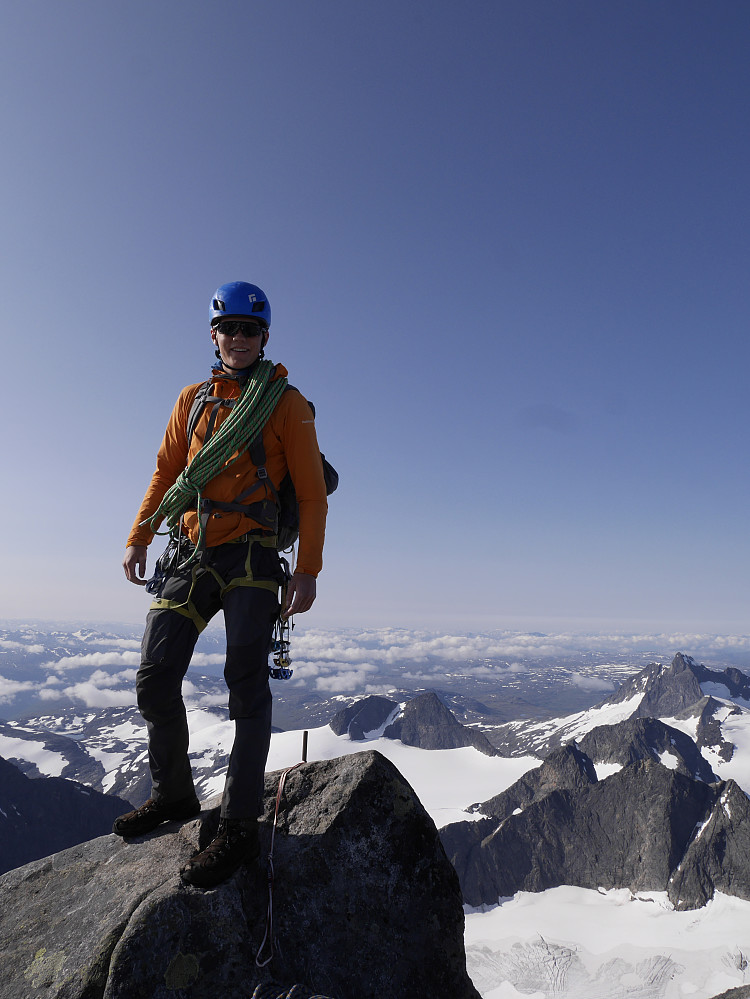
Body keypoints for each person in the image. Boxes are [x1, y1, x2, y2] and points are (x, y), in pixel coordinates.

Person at [113, 281, 327, 889]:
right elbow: (167, 470)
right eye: (228, 328)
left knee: (246, 688)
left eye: (249, 329)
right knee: (155, 679)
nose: (238, 338)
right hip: (192, 548)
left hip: (253, 557)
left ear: (264, 338)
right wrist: (141, 534)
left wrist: (308, 568)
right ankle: (175, 798)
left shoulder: (288, 404)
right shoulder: (193, 400)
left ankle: (238, 824)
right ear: (214, 336)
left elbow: (310, 494)